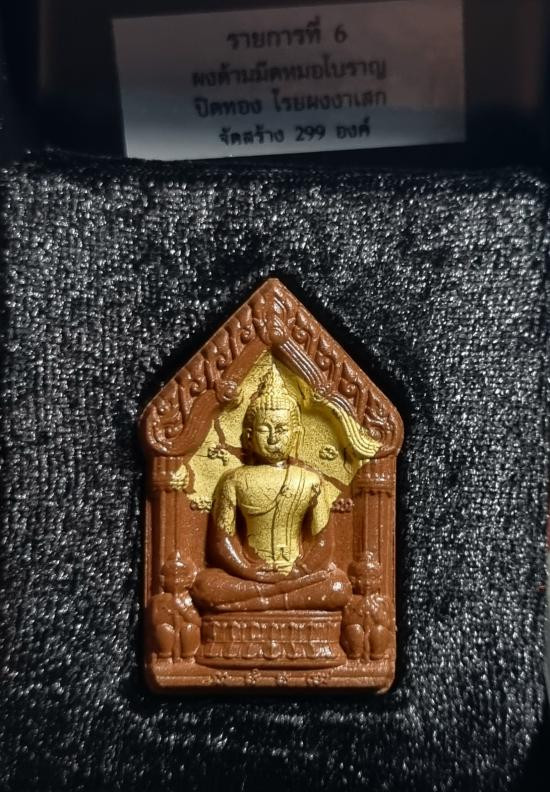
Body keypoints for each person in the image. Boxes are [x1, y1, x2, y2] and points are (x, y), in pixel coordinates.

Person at [191, 364, 351, 612]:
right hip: (250, 574)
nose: (273, 437)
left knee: (339, 586)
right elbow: (221, 541)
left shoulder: (309, 481)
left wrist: (300, 570)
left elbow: (323, 543)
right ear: (249, 436)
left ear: (296, 435)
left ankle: (261, 600)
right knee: (205, 586)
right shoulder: (234, 480)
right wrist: (246, 570)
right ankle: (275, 597)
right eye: (264, 429)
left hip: (298, 573)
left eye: (282, 429)